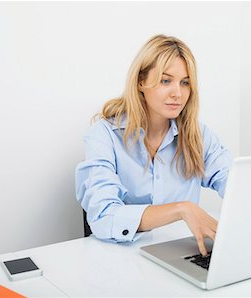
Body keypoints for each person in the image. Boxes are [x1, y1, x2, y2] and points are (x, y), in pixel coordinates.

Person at [75, 34, 232, 256]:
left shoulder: (198, 135)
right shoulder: (103, 136)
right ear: (141, 81)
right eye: (165, 81)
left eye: (185, 82)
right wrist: (181, 209)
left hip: (181, 254)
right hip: (119, 259)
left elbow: (236, 184)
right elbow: (102, 216)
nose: (177, 93)